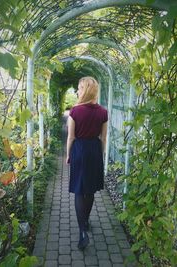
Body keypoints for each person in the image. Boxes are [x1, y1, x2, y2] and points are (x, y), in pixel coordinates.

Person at [66, 76, 108, 250]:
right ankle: (86, 221)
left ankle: (82, 231)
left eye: (79, 87)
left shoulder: (74, 112)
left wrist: (68, 155)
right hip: (94, 150)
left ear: (85, 90)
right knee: (89, 189)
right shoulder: (103, 112)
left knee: (79, 190)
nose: (78, 91)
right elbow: (103, 138)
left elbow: (71, 137)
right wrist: (101, 154)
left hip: (79, 150)